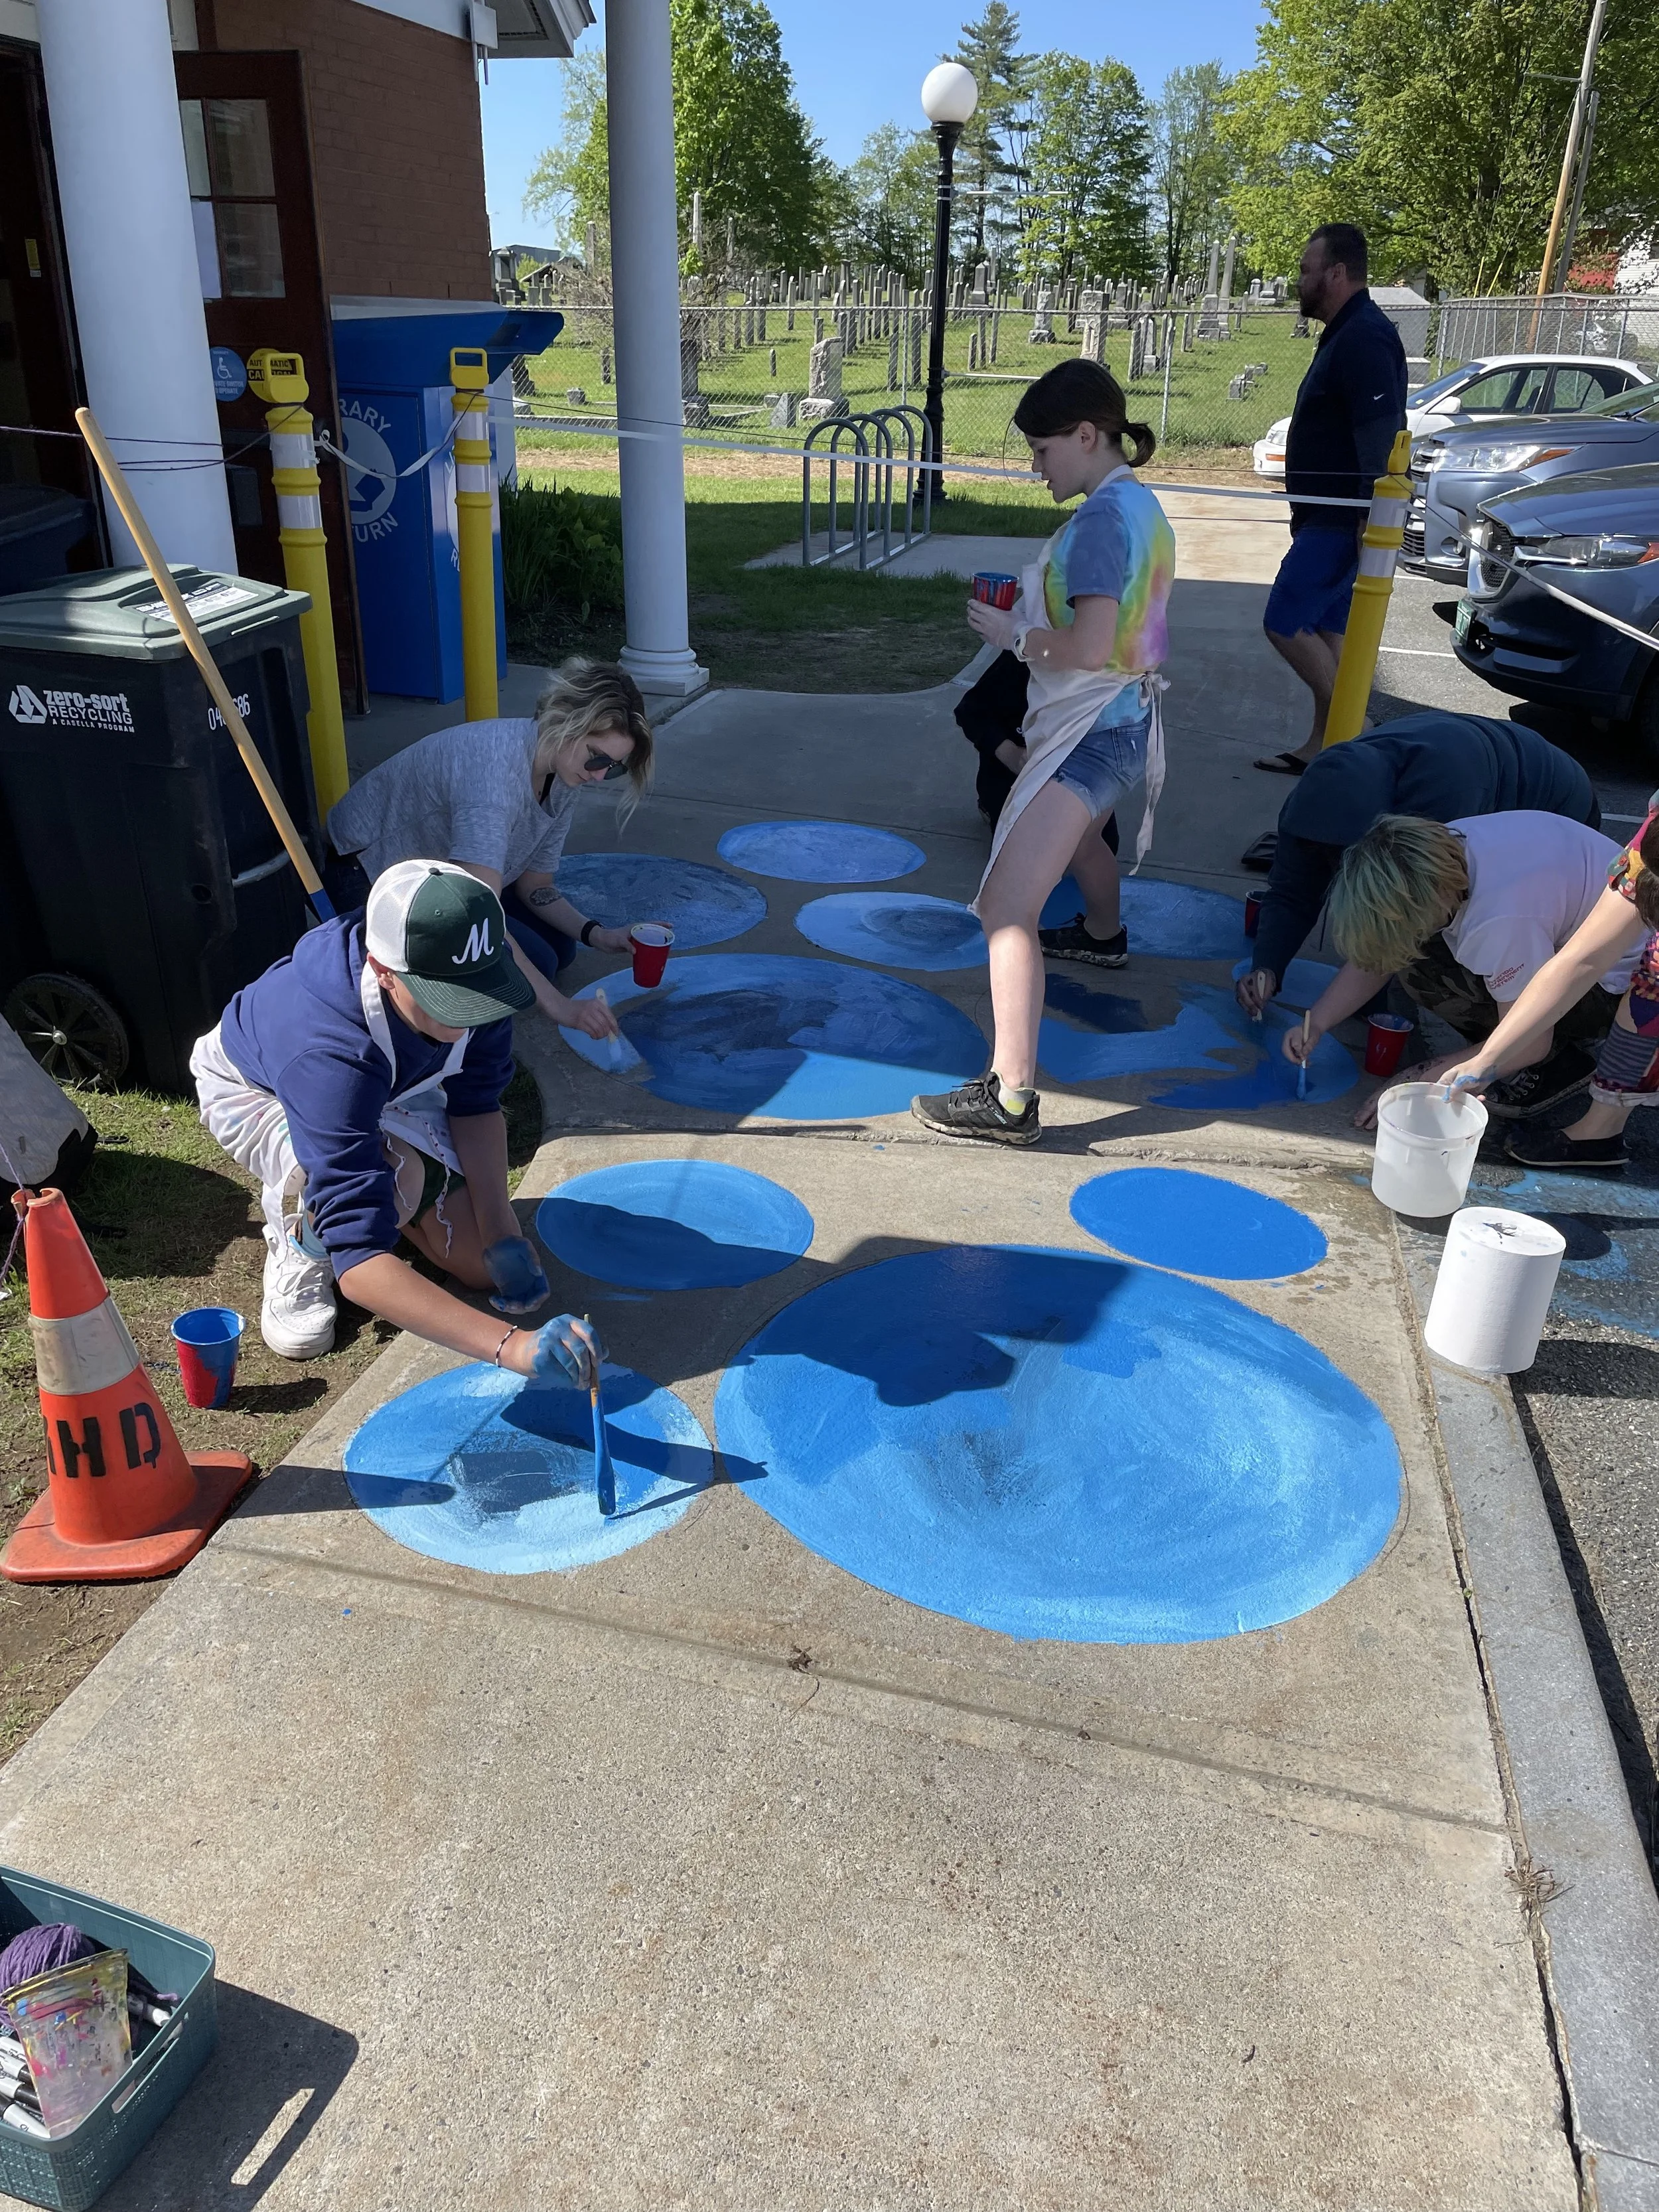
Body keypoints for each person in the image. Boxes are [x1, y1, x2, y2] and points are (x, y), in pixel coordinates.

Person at [191, 858, 602, 1380]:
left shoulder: (476, 988)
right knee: (390, 1179)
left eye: (480, 996)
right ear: (384, 973)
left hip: (393, 1082)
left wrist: (502, 1230)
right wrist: (512, 1347)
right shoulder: (329, 1055)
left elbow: (475, 1102)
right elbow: (361, 1262)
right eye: (450, 1002)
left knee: (481, 1266)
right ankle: (305, 1240)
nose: (471, 1015)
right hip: (258, 1090)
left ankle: (403, 1195)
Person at [911, 358, 1175, 1145]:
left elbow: (1091, 644)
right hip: (1123, 727)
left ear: (1087, 435)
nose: (1036, 467)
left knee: (1005, 907)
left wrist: (1014, 636)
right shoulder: (1140, 504)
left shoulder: (1099, 520)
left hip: (1086, 731)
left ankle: (1012, 1097)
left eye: (1042, 450)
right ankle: (1102, 936)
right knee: (1073, 846)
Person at [324, 659, 658, 1044]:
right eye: (597, 757)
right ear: (566, 722)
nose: (599, 775)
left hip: (451, 875)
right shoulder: (493, 777)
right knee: (539, 966)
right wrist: (560, 1007)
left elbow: (536, 885)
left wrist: (597, 934)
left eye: (612, 767)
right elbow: (480, 919)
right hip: (364, 874)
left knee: (561, 949)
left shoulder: (563, 774)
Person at [1284, 812, 1644, 1128]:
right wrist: (1317, 1022)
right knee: (1416, 952)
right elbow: (1384, 949)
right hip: (1577, 930)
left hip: (1619, 992)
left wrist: (1422, 1080)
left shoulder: (1497, 921)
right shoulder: (1434, 850)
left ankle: (1558, 1065)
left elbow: (1531, 1042)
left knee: (1428, 975)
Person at [1237, 709, 1599, 1021]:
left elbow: (1413, 914)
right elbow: (1291, 891)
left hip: (1559, 801)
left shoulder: (1440, 804)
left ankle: (1518, 1042)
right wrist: (1267, 965)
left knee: (1474, 936)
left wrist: (1364, 1002)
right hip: (1485, 773)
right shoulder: (1309, 806)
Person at [1256, 224, 1406, 776]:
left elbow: (1380, 431)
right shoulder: (1348, 331)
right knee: (1327, 631)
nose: (1299, 281)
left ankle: (1354, 733)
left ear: (1336, 273)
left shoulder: (1363, 335)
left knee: (1286, 619)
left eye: (1306, 269)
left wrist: (1371, 514)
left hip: (1343, 518)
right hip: (1334, 515)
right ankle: (1324, 747)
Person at [1439, 804, 1659, 1171]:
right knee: (1651, 980)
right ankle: (1600, 1132)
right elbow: (1581, 960)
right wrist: (1487, 1061)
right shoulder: (1648, 845)